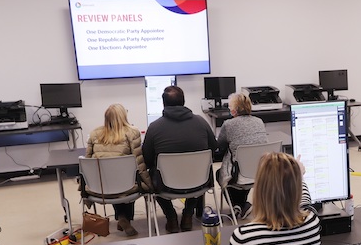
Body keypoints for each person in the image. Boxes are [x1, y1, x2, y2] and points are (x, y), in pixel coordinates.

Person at [142, 85, 217, 233]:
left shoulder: (154, 127)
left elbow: (147, 159)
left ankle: (171, 218)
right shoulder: (201, 122)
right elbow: (213, 148)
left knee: (151, 175)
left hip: (165, 186)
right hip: (199, 183)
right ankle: (188, 214)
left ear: (163, 104)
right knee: (200, 171)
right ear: (184, 101)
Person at [85, 103, 152, 236]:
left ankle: (121, 216)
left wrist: (84, 188)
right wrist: (149, 184)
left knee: (112, 179)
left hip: (100, 187)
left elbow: (86, 164)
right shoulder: (132, 132)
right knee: (131, 178)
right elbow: (140, 163)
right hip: (126, 186)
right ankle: (125, 218)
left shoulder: (94, 134)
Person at [216, 92, 268, 220]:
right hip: (260, 172)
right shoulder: (259, 121)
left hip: (239, 174)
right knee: (244, 168)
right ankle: (241, 205)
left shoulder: (228, 124)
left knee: (221, 174)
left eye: (229, 106)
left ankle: (238, 205)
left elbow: (220, 145)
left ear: (234, 110)